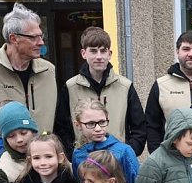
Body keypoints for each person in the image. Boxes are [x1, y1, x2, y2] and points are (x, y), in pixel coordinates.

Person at [0, 2, 58, 159]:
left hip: (43, 160)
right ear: (14, 38)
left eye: (41, 36)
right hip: (4, 160)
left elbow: (57, 118)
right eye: (34, 37)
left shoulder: (49, 70)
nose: (41, 42)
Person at [54, 26, 147, 158]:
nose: (99, 56)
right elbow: (61, 128)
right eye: (93, 51)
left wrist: (126, 153)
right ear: (83, 53)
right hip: (83, 163)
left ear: (109, 54)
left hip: (118, 162)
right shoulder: (70, 87)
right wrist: (74, 155)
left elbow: (139, 128)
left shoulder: (125, 86)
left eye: (103, 51)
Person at [71, 98, 140, 183]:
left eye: (102, 122)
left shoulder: (124, 151)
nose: (98, 128)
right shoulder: (78, 154)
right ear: (78, 125)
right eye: (91, 124)